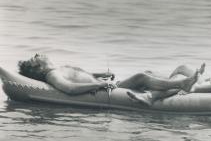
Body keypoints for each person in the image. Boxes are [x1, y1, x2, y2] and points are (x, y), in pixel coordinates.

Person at [17, 54, 200, 95]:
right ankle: (180, 85)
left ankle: (176, 83)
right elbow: (70, 88)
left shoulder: (59, 67)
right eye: (33, 58)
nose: (37, 55)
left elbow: (80, 75)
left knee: (148, 73)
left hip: (104, 84)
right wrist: (99, 85)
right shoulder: (52, 75)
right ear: (38, 69)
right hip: (106, 91)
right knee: (140, 77)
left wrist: (100, 74)